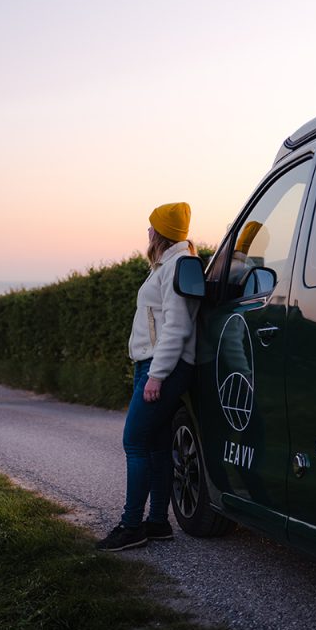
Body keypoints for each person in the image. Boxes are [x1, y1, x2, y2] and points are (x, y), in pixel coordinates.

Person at [96, 202, 200, 552]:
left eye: (151, 227)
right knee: (155, 446)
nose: (148, 233)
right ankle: (157, 524)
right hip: (156, 365)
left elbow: (178, 327)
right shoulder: (169, 265)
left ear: (160, 232)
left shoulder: (177, 266)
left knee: (134, 441)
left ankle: (131, 526)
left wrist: (156, 376)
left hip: (162, 367)